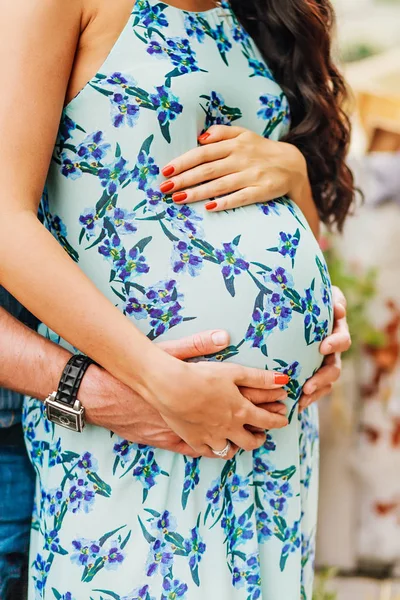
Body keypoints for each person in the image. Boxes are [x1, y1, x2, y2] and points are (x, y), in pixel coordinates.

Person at [0, 0, 355, 598]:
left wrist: (293, 176)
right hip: (136, 424)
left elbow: (301, 240)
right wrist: (157, 380)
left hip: (273, 443)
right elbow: (4, 220)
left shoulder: (253, 16)